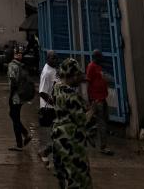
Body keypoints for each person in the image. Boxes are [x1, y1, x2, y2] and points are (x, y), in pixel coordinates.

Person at [51, 58, 95, 188]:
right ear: (74, 75)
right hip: (72, 141)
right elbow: (81, 120)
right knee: (78, 180)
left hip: (58, 138)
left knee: (65, 177)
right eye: (78, 75)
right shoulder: (70, 95)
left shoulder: (57, 88)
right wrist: (92, 111)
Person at [85, 50, 113, 156]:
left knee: (104, 120)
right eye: (100, 57)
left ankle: (90, 133)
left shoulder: (98, 66)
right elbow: (88, 82)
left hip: (102, 97)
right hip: (96, 99)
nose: (102, 58)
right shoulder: (91, 66)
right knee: (102, 123)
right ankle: (103, 147)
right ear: (96, 57)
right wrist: (89, 99)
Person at [7, 46, 34, 150]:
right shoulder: (21, 65)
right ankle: (20, 142)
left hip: (16, 96)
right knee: (14, 117)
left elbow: (13, 82)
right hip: (22, 95)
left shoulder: (12, 66)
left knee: (15, 118)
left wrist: (11, 96)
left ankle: (24, 136)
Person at [38, 49, 59, 166]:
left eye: (56, 58)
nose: (56, 60)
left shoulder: (53, 70)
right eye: (53, 58)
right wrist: (54, 104)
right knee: (56, 134)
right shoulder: (47, 72)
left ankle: (46, 152)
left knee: (55, 134)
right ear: (47, 59)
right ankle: (45, 152)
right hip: (50, 108)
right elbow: (42, 92)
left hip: (52, 107)